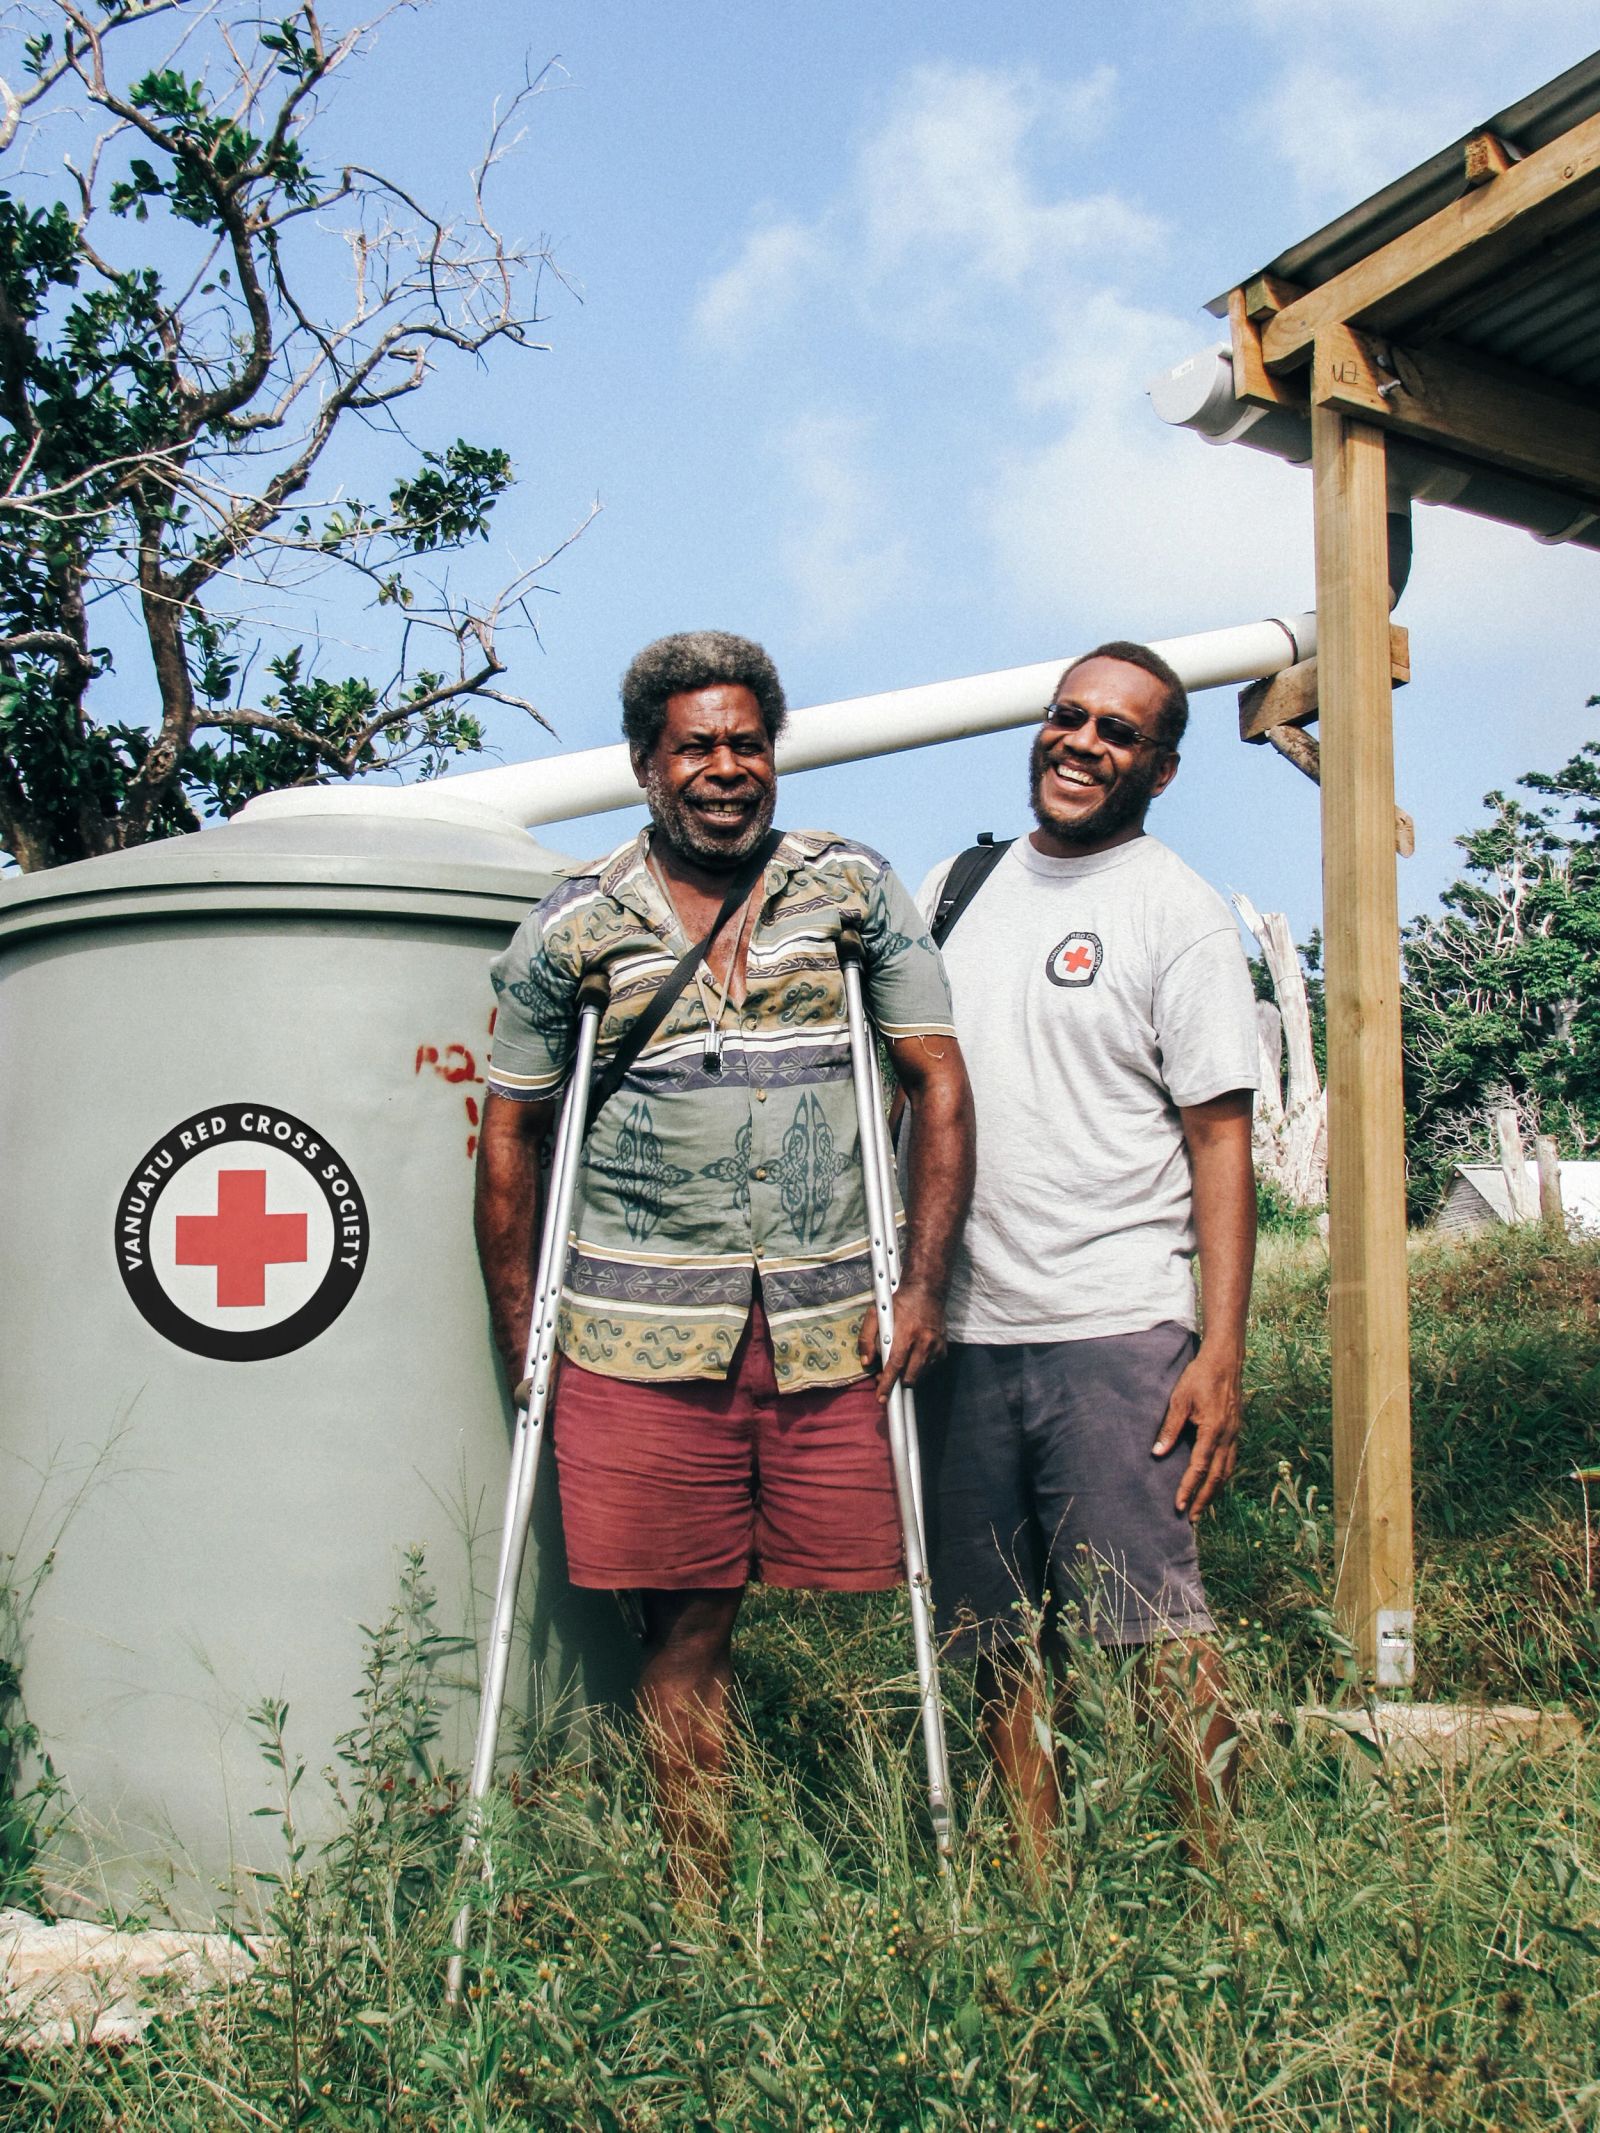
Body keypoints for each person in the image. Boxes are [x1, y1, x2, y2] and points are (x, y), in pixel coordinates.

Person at [476, 628, 975, 1899]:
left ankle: (897, 1839)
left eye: (746, 743)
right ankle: (702, 1905)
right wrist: (520, 1318)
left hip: (825, 1322)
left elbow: (936, 1080)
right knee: (686, 1622)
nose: (724, 767)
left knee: (910, 1585)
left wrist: (920, 1285)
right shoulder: (575, 922)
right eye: (694, 745)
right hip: (637, 1334)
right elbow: (512, 1130)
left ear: (772, 753)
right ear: (646, 763)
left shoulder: (850, 888)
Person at [915, 639, 1258, 1877]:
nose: (1083, 745)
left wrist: (1217, 1351)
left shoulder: (1178, 914)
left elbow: (1221, 1141)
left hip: (1114, 1325)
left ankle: (1225, 1896)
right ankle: (1032, 1895)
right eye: (1069, 718)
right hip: (959, 1332)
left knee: (1154, 1633)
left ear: (1160, 770)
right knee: (990, 1641)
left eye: (1118, 733)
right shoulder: (954, 890)